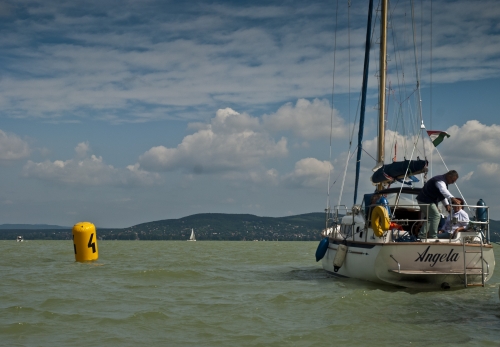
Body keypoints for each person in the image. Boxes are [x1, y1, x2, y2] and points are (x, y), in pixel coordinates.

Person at [416, 170, 461, 239]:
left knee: (431, 217)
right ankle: (432, 236)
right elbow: (443, 191)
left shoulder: (442, 181)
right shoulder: (440, 181)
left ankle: (422, 235)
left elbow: (442, 195)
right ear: (448, 176)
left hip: (424, 200)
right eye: (452, 181)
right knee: (436, 216)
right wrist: (452, 198)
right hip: (425, 200)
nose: (452, 183)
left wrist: (446, 205)